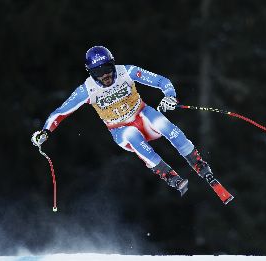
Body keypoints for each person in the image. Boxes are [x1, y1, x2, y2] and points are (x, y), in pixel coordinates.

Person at [32, 46, 212, 196]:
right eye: (98, 72)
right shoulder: (86, 90)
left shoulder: (127, 71)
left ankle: (197, 161)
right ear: (90, 72)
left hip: (142, 115)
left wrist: (170, 96)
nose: (105, 75)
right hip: (120, 129)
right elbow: (61, 112)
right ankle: (169, 174)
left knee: (162, 123)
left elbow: (161, 81)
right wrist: (45, 131)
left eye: (107, 68)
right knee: (132, 134)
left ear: (113, 64)